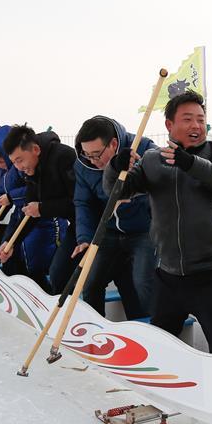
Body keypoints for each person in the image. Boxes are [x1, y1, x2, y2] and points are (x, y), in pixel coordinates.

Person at [103, 91, 212, 354]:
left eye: (201, 120)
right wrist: (115, 166)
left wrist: (191, 163)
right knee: (160, 344)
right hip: (168, 275)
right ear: (169, 125)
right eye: (188, 119)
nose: (196, 126)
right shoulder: (152, 160)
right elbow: (117, 192)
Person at [74, 116, 158, 319]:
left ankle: (156, 329)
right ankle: (95, 332)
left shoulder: (144, 148)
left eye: (96, 154)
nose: (93, 161)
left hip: (144, 230)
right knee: (90, 280)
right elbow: (83, 203)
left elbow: (163, 188)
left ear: (113, 143)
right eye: (87, 155)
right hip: (109, 231)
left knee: (143, 282)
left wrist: (137, 197)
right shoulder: (83, 165)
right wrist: (84, 238)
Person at [0, 125, 77, 294]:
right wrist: (11, 242)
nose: (18, 167)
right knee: (59, 273)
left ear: (35, 149)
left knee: (91, 279)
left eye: (20, 160)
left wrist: (42, 208)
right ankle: (62, 315)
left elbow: (79, 202)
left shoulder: (64, 157)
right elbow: (29, 212)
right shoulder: (32, 169)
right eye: (14, 162)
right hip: (77, 226)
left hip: (91, 222)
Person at [0, 125, 60, 290]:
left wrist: (12, 197)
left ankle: (48, 299)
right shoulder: (9, 171)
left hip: (45, 222)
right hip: (22, 217)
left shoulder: (31, 165)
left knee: (36, 264)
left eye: (0, 161)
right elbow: (3, 193)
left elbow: (37, 191)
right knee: (12, 257)